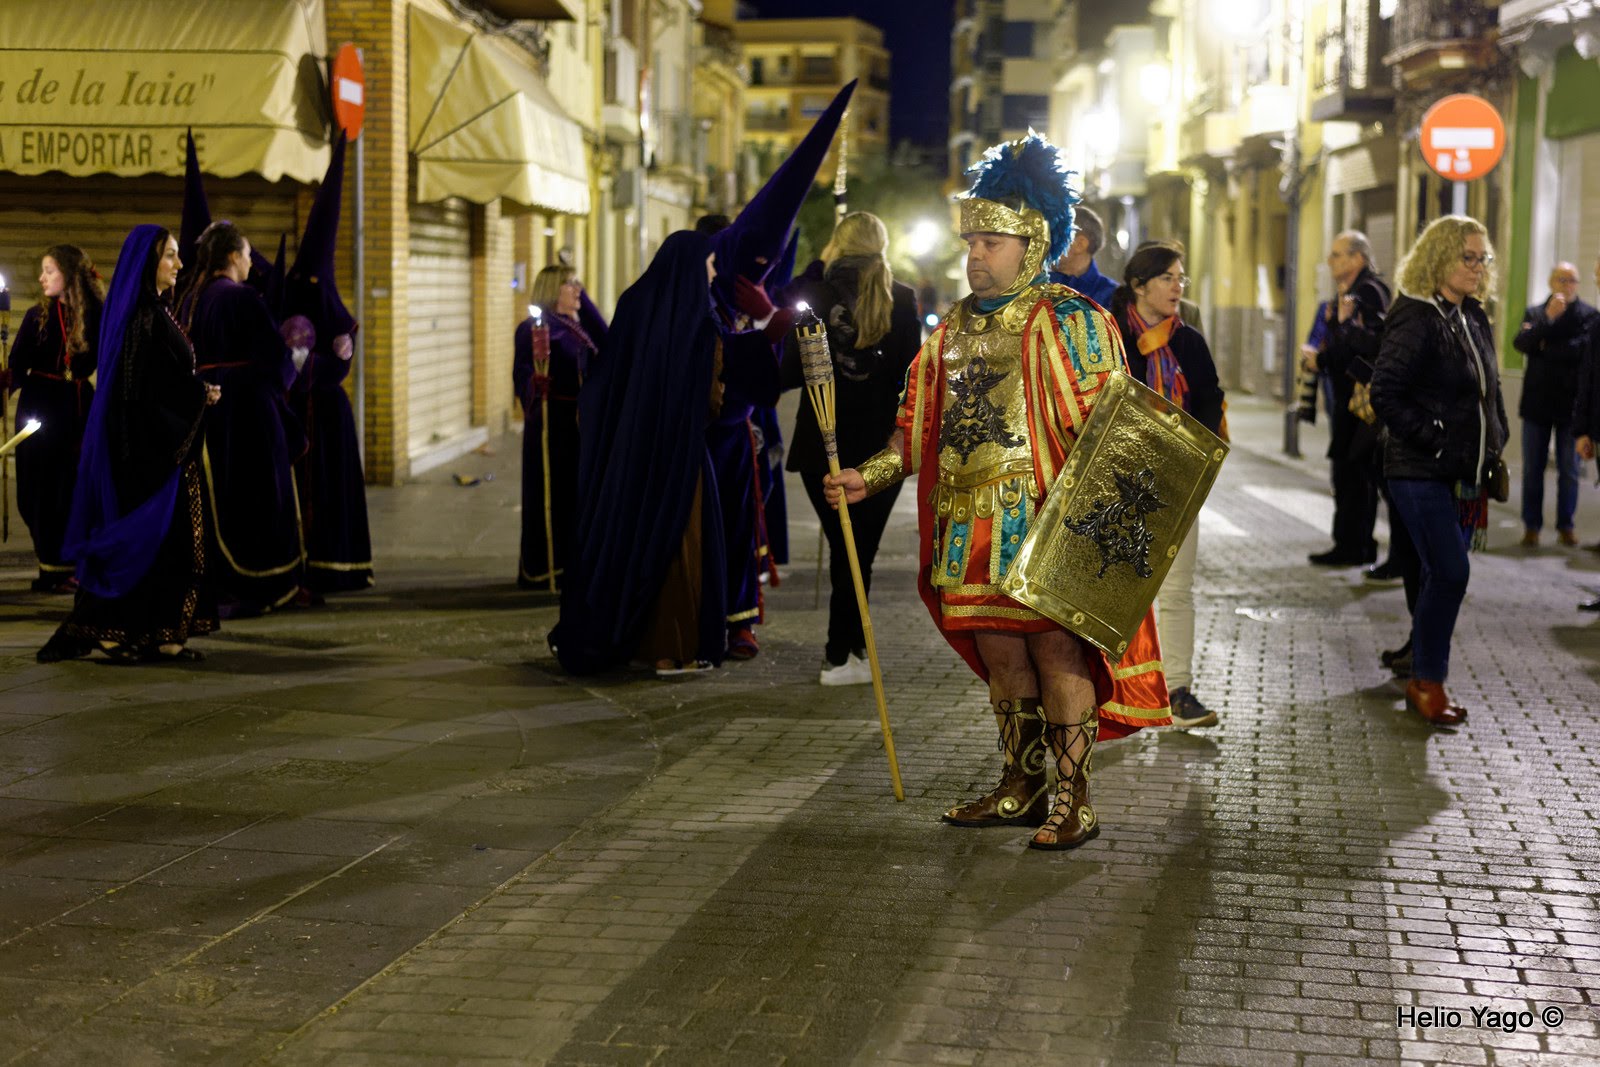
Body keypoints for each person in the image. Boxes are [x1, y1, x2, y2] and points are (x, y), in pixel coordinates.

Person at [827, 134, 1171, 851]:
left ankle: (1074, 798)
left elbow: (1114, 437)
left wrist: (1094, 541)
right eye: (971, 242)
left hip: (1046, 526)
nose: (975, 255)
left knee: (1057, 657)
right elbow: (911, 426)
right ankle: (1022, 784)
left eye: (991, 241)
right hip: (969, 523)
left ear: (1032, 243)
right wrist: (869, 476)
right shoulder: (949, 329)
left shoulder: (1073, 320)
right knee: (1003, 661)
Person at [551, 231, 780, 675]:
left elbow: (609, 379)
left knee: (632, 545)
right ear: (692, 266)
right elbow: (712, 396)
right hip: (678, 457)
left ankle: (634, 643)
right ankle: (670, 650)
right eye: (710, 264)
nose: (713, 272)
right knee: (678, 550)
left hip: (629, 457)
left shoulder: (636, 304)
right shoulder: (696, 320)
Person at [38, 226, 220, 663]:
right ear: (147, 264)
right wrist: (199, 395)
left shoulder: (158, 311)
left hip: (167, 454)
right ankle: (112, 633)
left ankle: (164, 635)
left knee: (171, 551)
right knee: (140, 549)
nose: (178, 265)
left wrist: (195, 391)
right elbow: (137, 393)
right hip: (148, 457)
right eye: (171, 256)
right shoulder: (143, 319)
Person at [1369, 215, 1507, 726]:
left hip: (1463, 474)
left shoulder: (1470, 315)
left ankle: (1422, 669)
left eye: (1482, 258)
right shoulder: (1417, 316)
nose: (1476, 268)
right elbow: (1386, 393)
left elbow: (1487, 389)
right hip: (1417, 470)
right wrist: (1439, 441)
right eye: (1466, 257)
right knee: (1451, 570)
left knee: (1437, 571)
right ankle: (1427, 681)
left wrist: (1498, 438)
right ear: (1439, 258)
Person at [778, 211, 921, 685]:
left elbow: (787, 373)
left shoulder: (814, 296)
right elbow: (910, 380)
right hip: (880, 451)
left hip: (822, 444)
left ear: (837, 245)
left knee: (848, 549)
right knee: (858, 551)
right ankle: (842, 652)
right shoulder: (901, 299)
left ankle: (846, 649)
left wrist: (813, 271)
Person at [1112, 242, 1225, 729]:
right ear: (1140, 285)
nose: (1178, 287)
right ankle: (1113, 691)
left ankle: (1177, 691)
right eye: (1168, 278)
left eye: (1182, 278)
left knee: (1177, 590)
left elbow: (1209, 403)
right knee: (1117, 588)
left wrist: (1187, 458)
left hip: (1177, 480)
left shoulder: (1189, 342)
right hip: (1116, 483)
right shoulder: (1111, 335)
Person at [180, 221, 308, 616]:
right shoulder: (242, 298)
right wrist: (293, 368)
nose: (253, 263)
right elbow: (273, 356)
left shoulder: (191, 298)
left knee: (222, 497)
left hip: (210, 406)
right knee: (261, 495)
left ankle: (224, 582)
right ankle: (265, 580)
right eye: (249, 255)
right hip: (250, 410)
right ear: (233, 256)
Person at [282, 134, 373, 599]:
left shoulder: (333, 307)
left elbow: (338, 366)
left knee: (331, 489)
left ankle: (338, 563)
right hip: (300, 413)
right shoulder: (292, 293)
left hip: (329, 416)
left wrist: (324, 362)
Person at [4, 245, 103, 592]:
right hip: (39, 410)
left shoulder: (98, 316)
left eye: (49, 270)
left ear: (70, 274)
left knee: (71, 490)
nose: (41, 277)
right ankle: (50, 566)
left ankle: (69, 568)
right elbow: (16, 367)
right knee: (35, 491)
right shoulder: (36, 316)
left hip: (78, 411)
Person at [515, 265, 605, 590]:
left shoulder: (574, 326)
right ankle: (546, 567)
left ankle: (573, 564)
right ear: (554, 289)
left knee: (576, 498)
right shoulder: (534, 329)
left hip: (578, 427)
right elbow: (522, 373)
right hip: (551, 426)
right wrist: (534, 384)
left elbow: (605, 344)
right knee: (552, 496)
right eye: (570, 284)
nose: (577, 289)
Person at [1309, 231, 1391, 568]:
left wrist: (1325, 354)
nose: (1331, 262)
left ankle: (1353, 545)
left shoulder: (1369, 292)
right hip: (1347, 397)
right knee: (1349, 471)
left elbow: (1368, 346)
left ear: (1358, 258)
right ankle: (1353, 542)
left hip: (1361, 401)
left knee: (1354, 473)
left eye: (1338, 255)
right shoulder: (1353, 291)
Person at [1512, 262, 1593, 547]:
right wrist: (1547, 320)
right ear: (1551, 282)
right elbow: (1522, 343)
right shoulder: (1536, 312)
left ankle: (1565, 526)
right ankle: (1531, 526)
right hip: (1537, 403)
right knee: (1532, 468)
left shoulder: (1588, 316)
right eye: (1562, 279)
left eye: (1573, 280)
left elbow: (1583, 351)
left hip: (1571, 407)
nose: (1567, 285)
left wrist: (1547, 346)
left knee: (1569, 470)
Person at [1048, 204, 1117, 309]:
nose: (1046, 243)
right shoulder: (1039, 287)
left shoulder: (1113, 296)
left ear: (1080, 244)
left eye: (1056, 237)